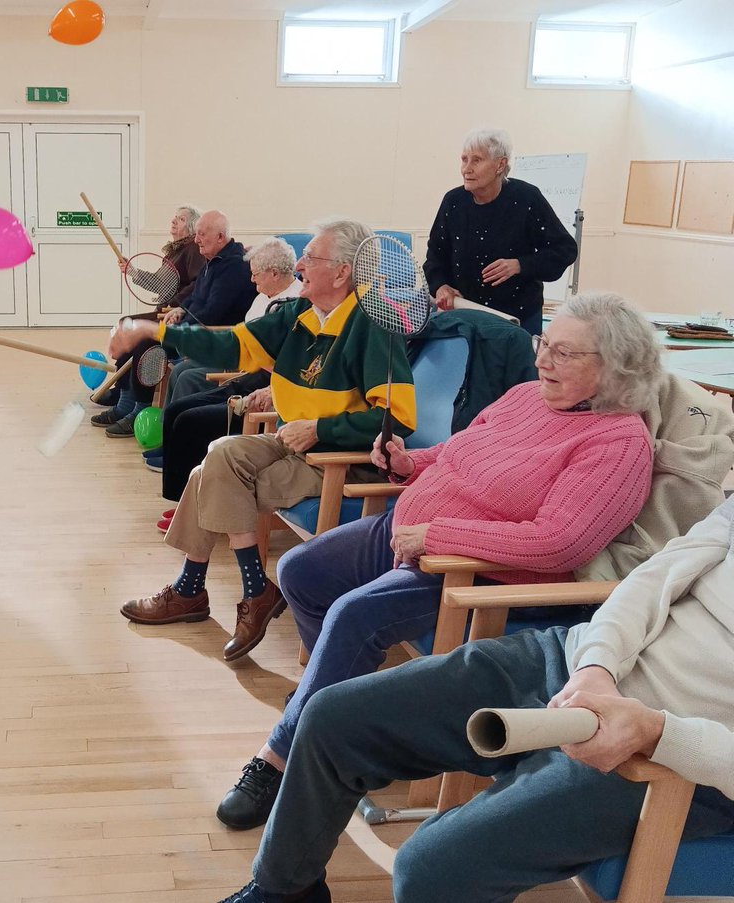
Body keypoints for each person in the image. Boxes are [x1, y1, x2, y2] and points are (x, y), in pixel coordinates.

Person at [215, 292, 662, 831]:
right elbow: (460, 452)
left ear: (615, 368)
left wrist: (438, 535)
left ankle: (281, 758)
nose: (542, 359)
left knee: (355, 615)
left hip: (474, 570)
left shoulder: (618, 443)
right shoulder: (526, 397)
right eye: (545, 343)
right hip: (413, 535)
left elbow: (559, 543)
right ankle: (337, 706)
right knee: (299, 572)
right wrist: (408, 462)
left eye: (565, 354)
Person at [216, 493, 734, 903]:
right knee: (332, 718)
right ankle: (285, 890)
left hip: (672, 753)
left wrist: (658, 731)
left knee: (433, 870)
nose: (545, 359)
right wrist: (596, 667)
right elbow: (652, 580)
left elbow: (560, 539)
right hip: (580, 665)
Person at [108, 219, 416, 661]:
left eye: (312, 257)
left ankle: (197, 589)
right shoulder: (297, 316)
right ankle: (246, 590)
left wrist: (320, 430)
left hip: (337, 459)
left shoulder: (373, 325)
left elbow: (397, 419)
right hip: (293, 443)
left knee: (213, 474)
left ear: (343, 272)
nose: (301, 264)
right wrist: (152, 330)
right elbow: (231, 346)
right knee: (218, 457)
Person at [148, 237, 301, 502]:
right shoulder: (265, 298)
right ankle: (179, 496)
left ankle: (190, 502)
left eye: (256, 275)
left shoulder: (292, 306)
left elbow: (283, 362)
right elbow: (242, 337)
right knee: (176, 410)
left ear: (274, 273)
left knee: (189, 418)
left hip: (263, 382)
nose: (252, 281)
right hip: (249, 374)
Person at [94, 209, 257, 438]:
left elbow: (211, 314)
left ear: (220, 237)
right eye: (196, 234)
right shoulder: (213, 259)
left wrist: (178, 325)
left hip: (208, 336)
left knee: (146, 342)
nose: (197, 239)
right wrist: (181, 309)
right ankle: (126, 399)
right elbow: (195, 296)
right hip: (191, 326)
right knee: (136, 332)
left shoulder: (232, 267)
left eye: (201, 234)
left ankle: (138, 409)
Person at [423, 128, 578, 335]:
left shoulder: (527, 199)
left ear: (500, 164)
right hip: (464, 317)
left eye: (476, 160)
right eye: (464, 159)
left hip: (516, 320)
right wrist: (440, 285)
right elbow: (435, 255)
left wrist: (520, 265)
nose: (466, 169)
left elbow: (564, 249)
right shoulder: (453, 202)